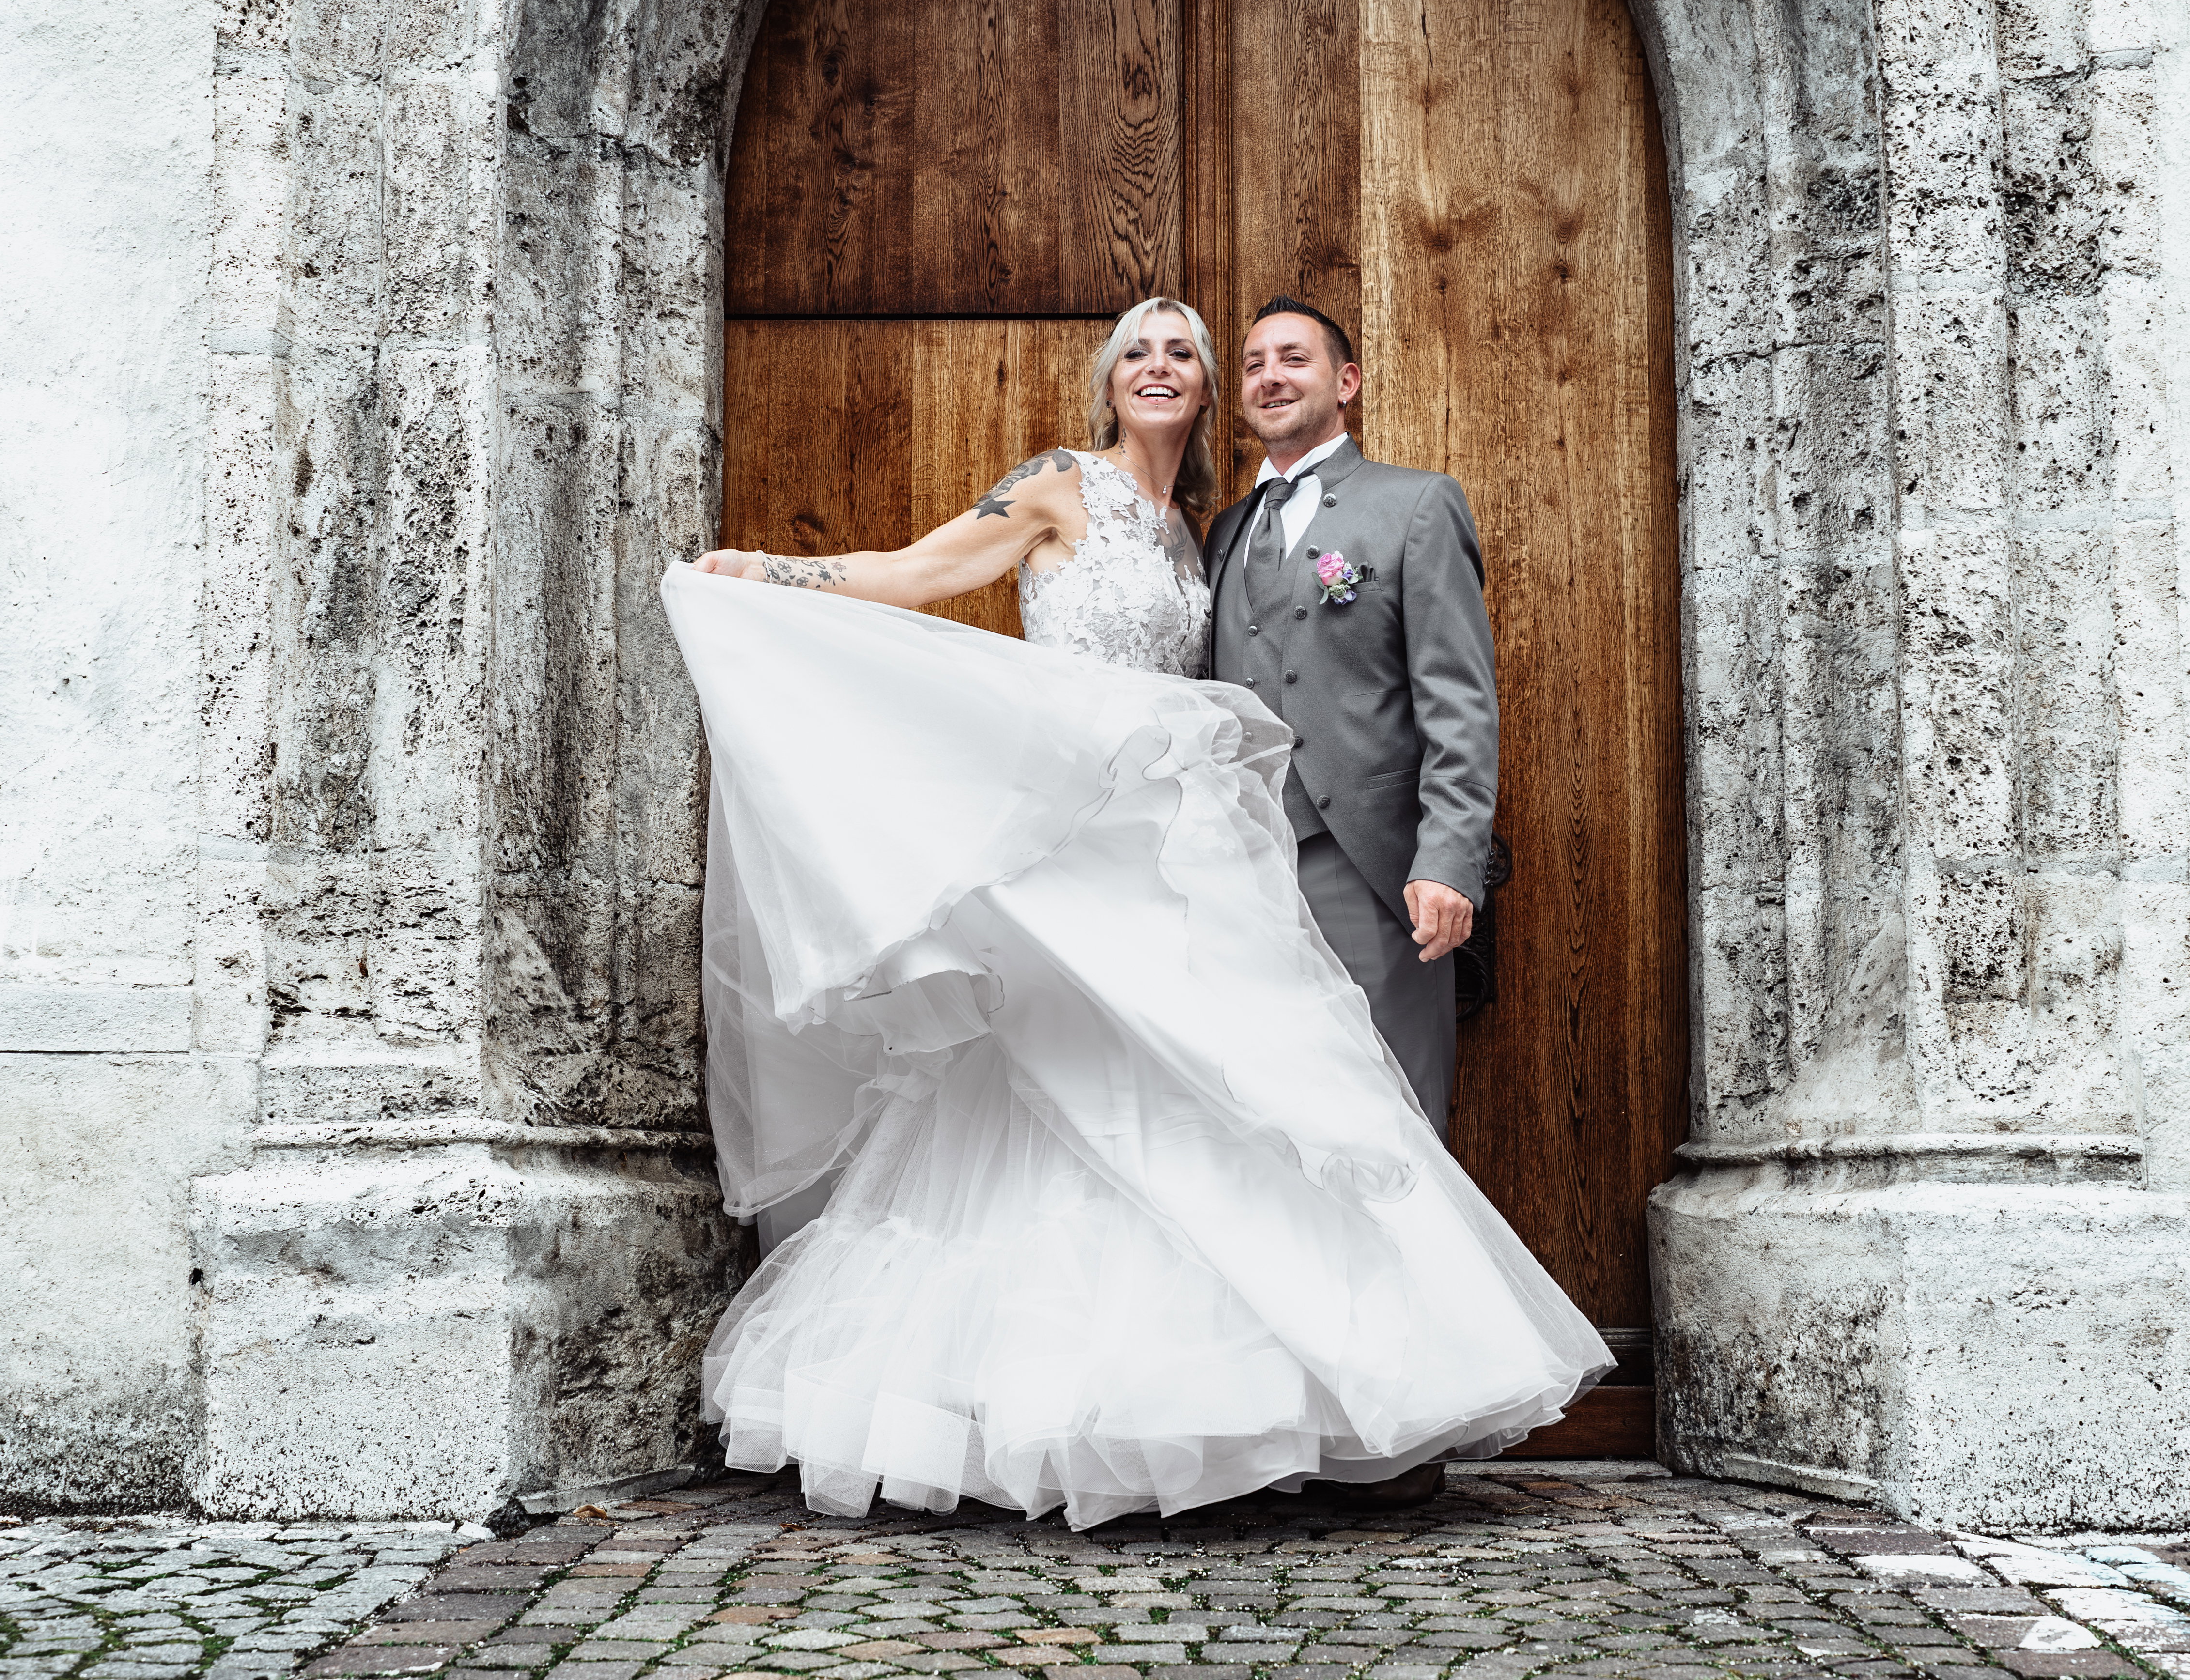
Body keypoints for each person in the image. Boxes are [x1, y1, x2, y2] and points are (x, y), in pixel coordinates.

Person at [664, 297, 1607, 1529]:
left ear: (1214, 390)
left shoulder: (1201, 533)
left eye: (1186, 354)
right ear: (1109, 381)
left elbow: (1413, 691)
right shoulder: (1065, 485)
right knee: (1074, 1101)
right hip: (1078, 844)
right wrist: (779, 572)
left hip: (1202, 853)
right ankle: (1049, 1414)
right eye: (1137, 353)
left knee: (1214, 1108)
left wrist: (1448, 849)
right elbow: (928, 568)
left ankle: (1276, 1414)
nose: (1161, 368)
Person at [1203, 297, 1494, 1142]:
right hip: (1246, 874)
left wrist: (1447, 861)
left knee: (1394, 1124)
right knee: (1273, 1124)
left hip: (1373, 870)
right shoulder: (1224, 533)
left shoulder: (1415, 505)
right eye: (1254, 364)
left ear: (1347, 381)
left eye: (1293, 358)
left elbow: (1458, 699)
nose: (1270, 377)